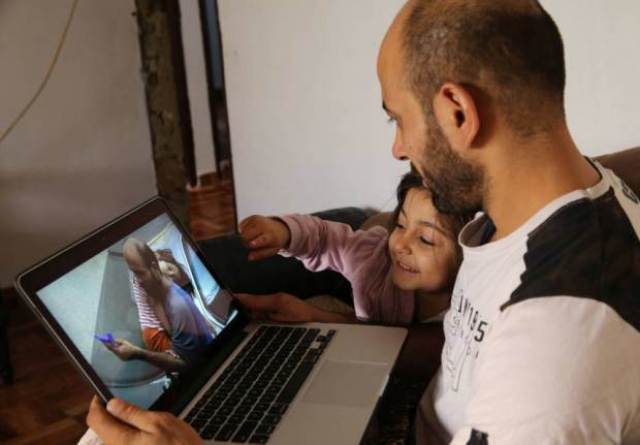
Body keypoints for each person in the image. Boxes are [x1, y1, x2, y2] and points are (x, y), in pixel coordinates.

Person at [87, 1, 640, 444]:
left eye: (398, 119)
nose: (398, 149)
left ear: (457, 113)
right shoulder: (544, 211)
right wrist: (325, 331)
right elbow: (461, 344)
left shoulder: (555, 354)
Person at [237, 171, 472, 325]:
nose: (400, 244)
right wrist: (283, 231)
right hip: (362, 227)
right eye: (400, 225)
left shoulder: (474, 308)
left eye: (425, 239)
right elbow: (325, 238)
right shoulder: (375, 259)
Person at [103, 239, 214, 372]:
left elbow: (187, 364)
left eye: (171, 274)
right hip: (154, 331)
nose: (169, 274)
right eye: (168, 269)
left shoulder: (175, 300)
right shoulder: (150, 286)